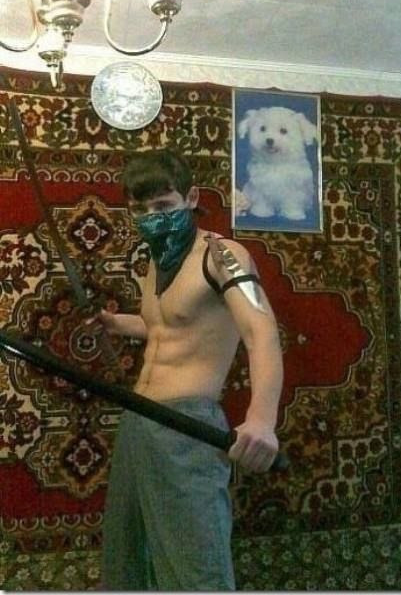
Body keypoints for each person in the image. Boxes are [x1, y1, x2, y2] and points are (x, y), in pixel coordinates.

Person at [94, 147, 284, 591]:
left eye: (163, 205)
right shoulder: (156, 262)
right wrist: (117, 324)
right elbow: (168, 327)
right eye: (140, 209)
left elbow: (261, 331)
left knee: (195, 571)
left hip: (186, 427)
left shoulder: (222, 255)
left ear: (191, 198)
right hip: (138, 424)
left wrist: (261, 418)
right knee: (128, 564)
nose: (152, 218)